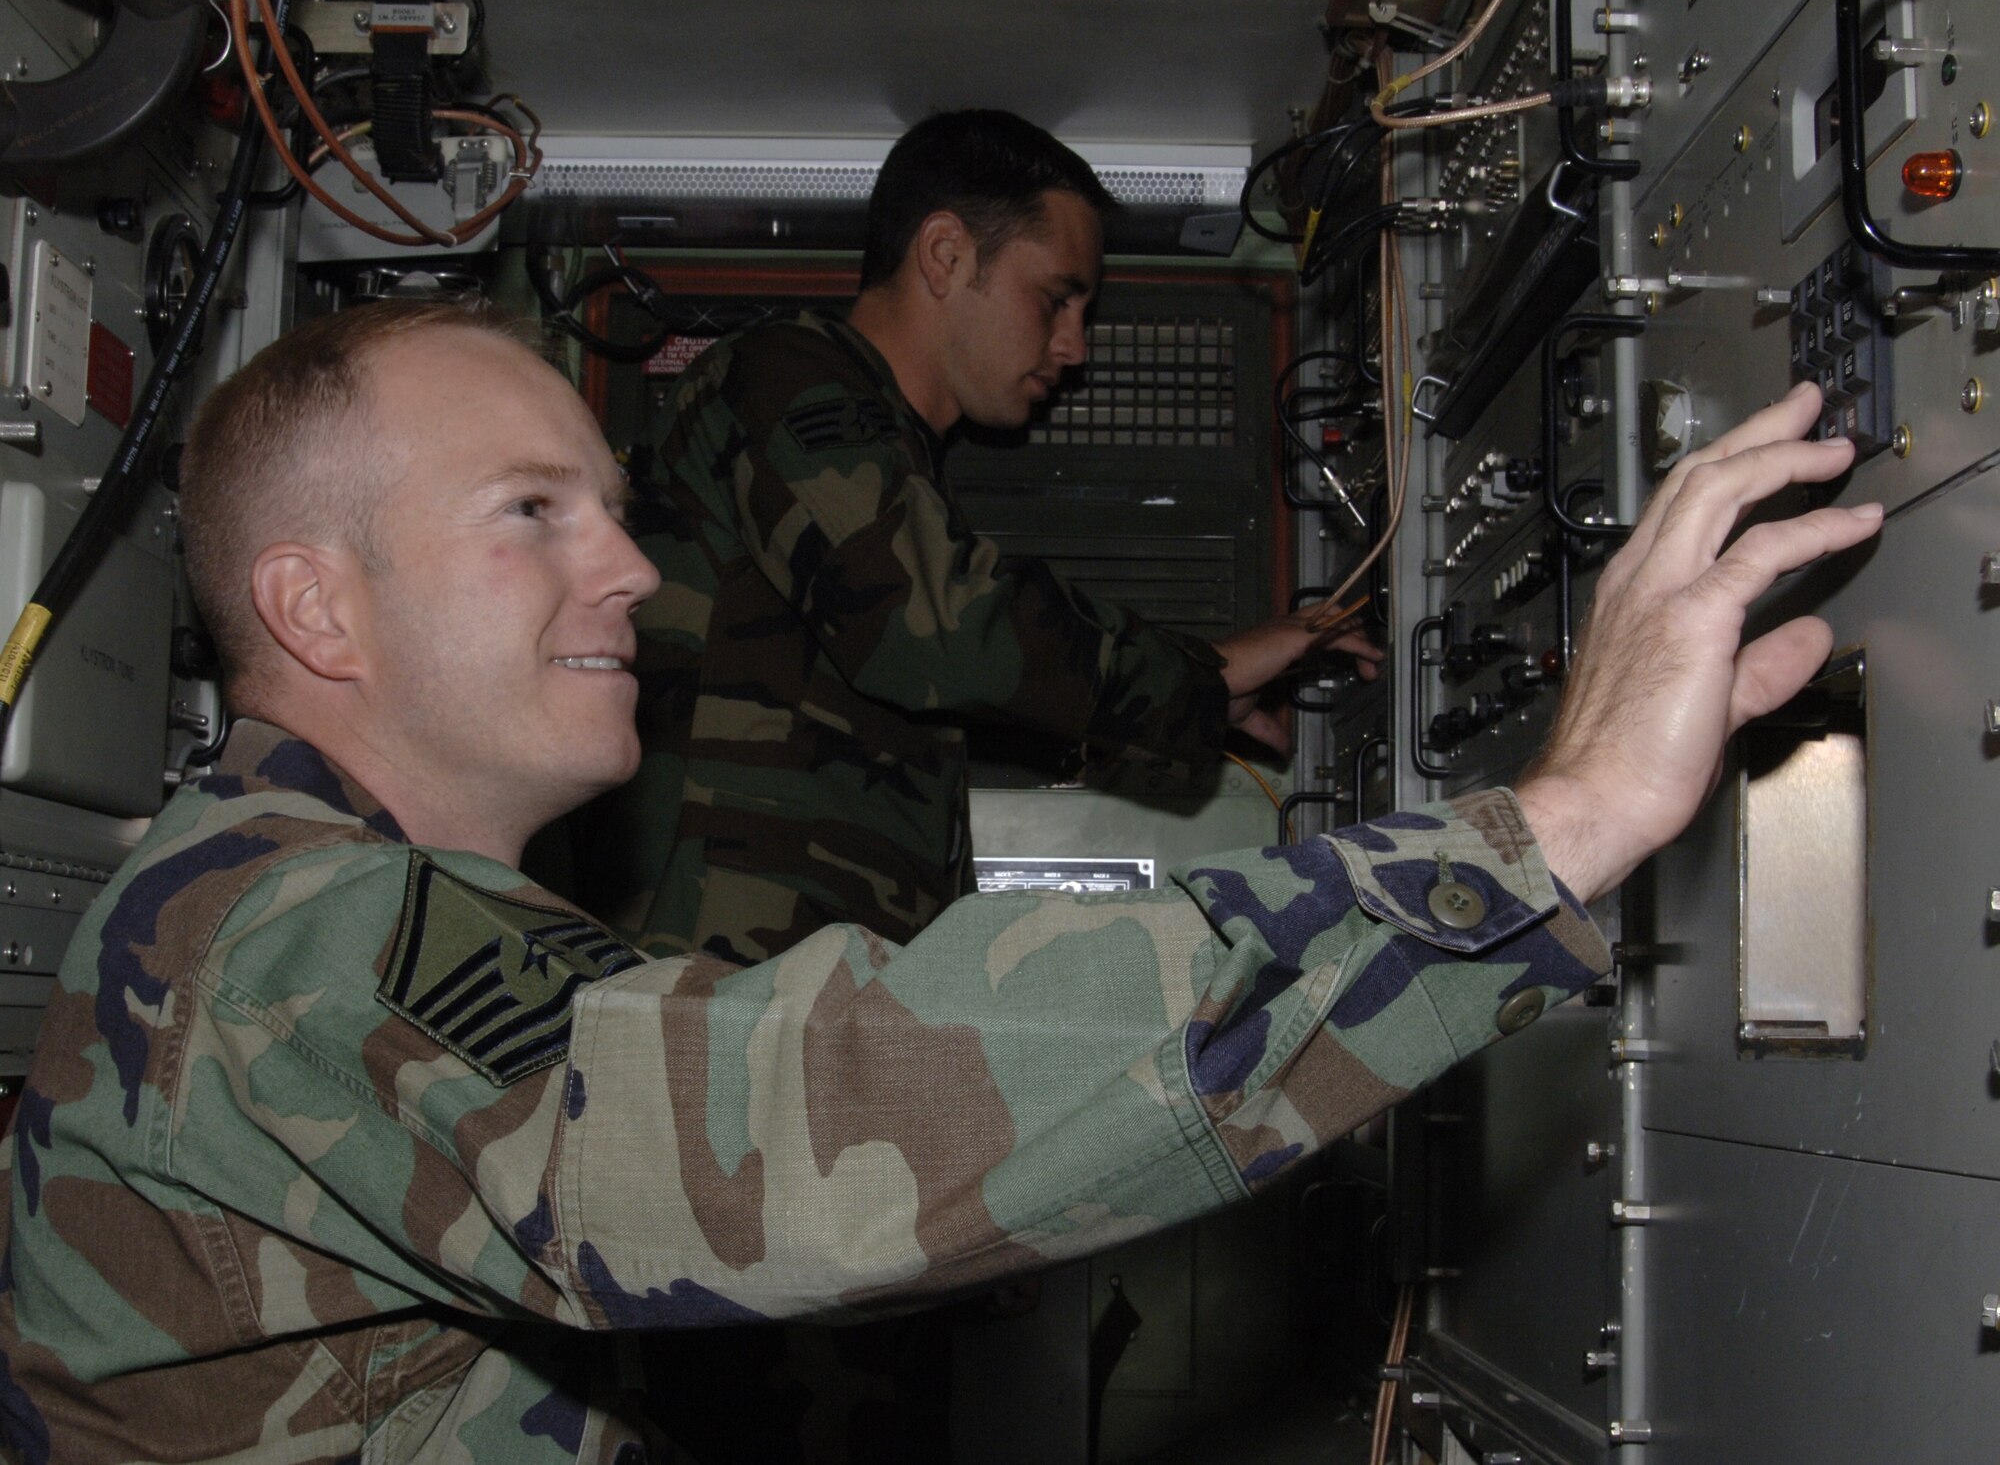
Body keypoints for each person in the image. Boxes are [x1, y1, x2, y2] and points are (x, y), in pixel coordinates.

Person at [0, 299, 1878, 1463]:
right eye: (531, 512)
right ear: (317, 605)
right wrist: (1546, 831)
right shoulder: (275, 934)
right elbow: (762, 1124)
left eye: (610, 502)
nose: (638, 569)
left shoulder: (301, 901)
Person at [586, 109, 1384, 962]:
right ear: (945, 255)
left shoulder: (897, 467)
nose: (1075, 346)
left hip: (812, 1004)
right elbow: (935, 628)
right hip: (719, 1002)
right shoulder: (785, 374)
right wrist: (1199, 676)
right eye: (1056, 298)